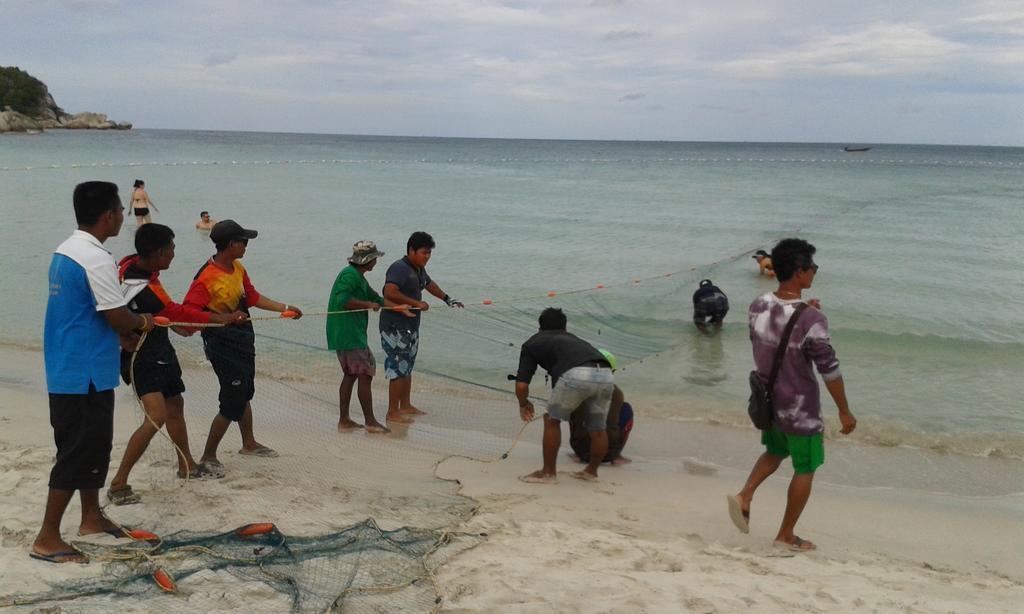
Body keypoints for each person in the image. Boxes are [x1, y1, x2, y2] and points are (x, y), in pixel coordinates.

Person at [34, 181, 155, 564]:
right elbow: (116, 314)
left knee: (94, 446)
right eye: (120, 210)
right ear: (108, 215)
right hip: (82, 372)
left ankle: (91, 518)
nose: (123, 215)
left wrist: (120, 334)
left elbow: (83, 312)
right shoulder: (95, 257)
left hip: (76, 365)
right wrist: (142, 322)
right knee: (75, 452)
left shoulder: (65, 250)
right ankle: (47, 538)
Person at [728, 238, 857, 552]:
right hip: (799, 408)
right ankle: (786, 533)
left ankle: (745, 494)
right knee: (805, 467)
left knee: (775, 451)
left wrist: (803, 312)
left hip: (770, 402)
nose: (814, 272)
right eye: (812, 267)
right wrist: (844, 411)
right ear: (799, 272)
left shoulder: (758, 305)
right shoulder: (812, 320)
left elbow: (767, 340)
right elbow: (830, 369)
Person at [106, 224, 246, 505]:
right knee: (156, 416)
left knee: (175, 406)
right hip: (143, 356)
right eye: (171, 249)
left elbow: (170, 316)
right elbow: (175, 313)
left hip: (160, 348)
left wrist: (184, 324)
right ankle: (119, 482)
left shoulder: (134, 268)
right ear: (158, 252)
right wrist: (221, 318)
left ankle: (187, 465)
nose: (173, 254)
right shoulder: (140, 287)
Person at [183, 219, 304, 476]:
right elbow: (190, 312)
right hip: (221, 345)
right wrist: (221, 320)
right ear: (230, 245)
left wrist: (285, 308)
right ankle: (208, 454)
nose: (247, 246)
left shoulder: (238, 268)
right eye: (243, 242)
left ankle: (248, 443)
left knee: (245, 391)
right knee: (231, 399)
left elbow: (253, 297)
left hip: (243, 340)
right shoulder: (205, 277)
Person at [515, 308, 615, 483]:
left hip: (577, 374)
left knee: (552, 420)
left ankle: (548, 473)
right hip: (605, 372)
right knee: (598, 428)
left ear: (540, 327)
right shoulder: (574, 340)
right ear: (565, 327)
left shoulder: (533, 343)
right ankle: (591, 472)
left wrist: (523, 404)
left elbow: (522, 385)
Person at [327, 240, 413, 434]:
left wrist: (399, 308)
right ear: (367, 259)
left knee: (350, 375)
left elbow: (377, 298)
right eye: (374, 258)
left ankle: (345, 420)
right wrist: (366, 304)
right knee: (366, 372)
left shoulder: (358, 276)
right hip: (348, 333)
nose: (376, 262)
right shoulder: (350, 275)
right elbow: (344, 300)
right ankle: (370, 421)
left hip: (346, 333)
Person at [379, 231, 463, 423]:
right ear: (411, 250)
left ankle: (406, 405)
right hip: (394, 327)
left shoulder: (418, 269)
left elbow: (429, 284)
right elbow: (389, 292)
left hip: (410, 326)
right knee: (397, 367)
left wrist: (447, 299)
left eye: (429, 253)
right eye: (424, 252)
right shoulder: (399, 268)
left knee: (407, 365)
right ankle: (392, 411)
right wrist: (415, 303)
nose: (427, 257)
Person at [568, 351, 634, 466]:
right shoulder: (617, 392)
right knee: (626, 409)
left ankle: (578, 450)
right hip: (610, 454)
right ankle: (617, 454)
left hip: (582, 452)